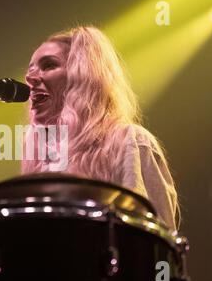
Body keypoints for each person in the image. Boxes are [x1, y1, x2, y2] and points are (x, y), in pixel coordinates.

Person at [22, 25, 179, 230]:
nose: (30, 78)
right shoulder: (43, 157)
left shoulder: (130, 141)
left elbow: (156, 242)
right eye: (30, 69)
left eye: (48, 65)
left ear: (82, 76)